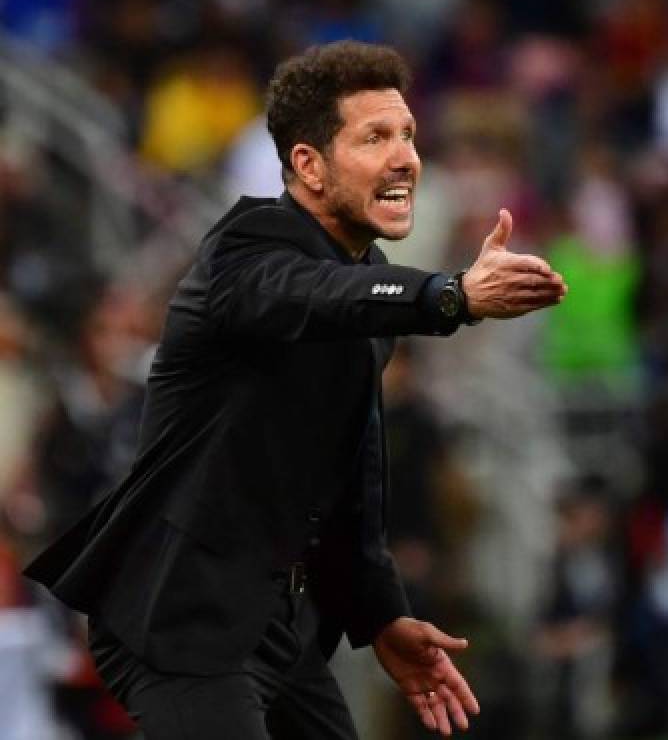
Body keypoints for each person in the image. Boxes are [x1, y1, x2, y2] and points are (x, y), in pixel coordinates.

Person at [23, 40, 567, 739]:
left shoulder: (369, 290)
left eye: (407, 134)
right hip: (180, 615)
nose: (406, 157)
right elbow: (313, 294)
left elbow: (349, 493)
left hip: (276, 625)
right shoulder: (246, 249)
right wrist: (452, 295)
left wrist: (380, 615)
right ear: (308, 165)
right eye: (375, 137)